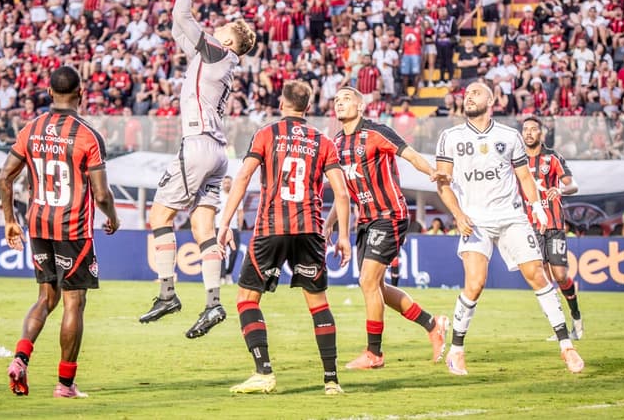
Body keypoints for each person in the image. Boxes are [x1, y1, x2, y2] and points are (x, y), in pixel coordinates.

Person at [140, 0, 257, 339]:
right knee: (201, 226)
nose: (216, 27)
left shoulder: (219, 52)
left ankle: (167, 294)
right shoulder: (218, 61)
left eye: (221, 27)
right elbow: (179, 27)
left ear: (226, 39)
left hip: (198, 144)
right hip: (218, 152)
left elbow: (184, 17)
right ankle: (212, 303)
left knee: (158, 218)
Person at [435, 82, 584, 375]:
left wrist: (538, 206)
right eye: (466, 94)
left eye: (476, 93)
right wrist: (457, 214)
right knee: (475, 284)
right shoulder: (449, 137)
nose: (469, 97)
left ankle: (567, 346)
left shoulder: (509, 136)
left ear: (492, 100)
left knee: (538, 276)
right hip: (474, 220)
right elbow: (443, 183)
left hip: (511, 217)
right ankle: (456, 351)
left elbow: (525, 178)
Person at [216, 80, 351, 395]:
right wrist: (343, 235)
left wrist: (224, 223)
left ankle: (263, 372)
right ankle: (331, 380)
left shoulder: (266, 134)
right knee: (318, 304)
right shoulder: (323, 141)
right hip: (311, 229)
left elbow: (244, 176)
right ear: (308, 106)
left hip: (271, 227)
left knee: (247, 299)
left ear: (282, 103)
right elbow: (342, 194)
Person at [0, 65, 120, 398]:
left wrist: (10, 220)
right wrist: (112, 216)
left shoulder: (31, 129)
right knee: (73, 303)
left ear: (49, 93)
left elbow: (5, 176)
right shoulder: (88, 135)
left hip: (38, 223)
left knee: (44, 298)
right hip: (73, 228)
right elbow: (100, 193)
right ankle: (65, 384)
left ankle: (21, 359)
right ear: (80, 94)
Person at [326, 87, 449, 369]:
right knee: (376, 285)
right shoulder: (336, 143)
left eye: (346, 99)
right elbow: (343, 189)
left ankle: (374, 354)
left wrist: (431, 172)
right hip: (365, 221)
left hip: (389, 214)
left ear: (360, 105)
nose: (340, 103)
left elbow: (410, 154)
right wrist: (330, 222)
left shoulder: (376, 132)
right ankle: (432, 324)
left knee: (368, 282)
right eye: (337, 100)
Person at [521, 117, 583, 341]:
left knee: (560, 275)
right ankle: (561, 329)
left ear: (541, 133)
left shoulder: (552, 157)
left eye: (533, 129)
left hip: (554, 224)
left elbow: (573, 185)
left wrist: (561, 191)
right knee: (543, 279)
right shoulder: (516, 160)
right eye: (525, 129)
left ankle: (576, 315)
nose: (528, 133)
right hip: (530, 227)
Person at [216, 175, 244, 284]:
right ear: (222, 184)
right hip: (220, 227)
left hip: (233, 227)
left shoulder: (236, 195)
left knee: (234, 251)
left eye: (229, 182)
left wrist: (240, 226)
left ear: (232, 184)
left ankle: (229, 273)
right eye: (225, 182)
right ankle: (222, 276)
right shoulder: (217, 196)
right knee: (221, 251)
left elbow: (240, 212)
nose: (227, 184)